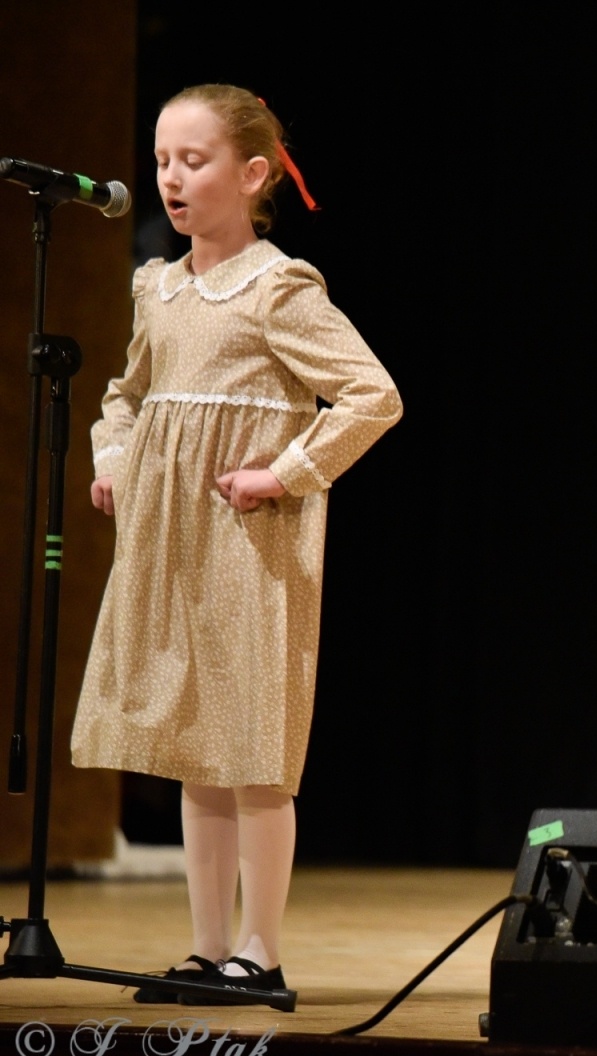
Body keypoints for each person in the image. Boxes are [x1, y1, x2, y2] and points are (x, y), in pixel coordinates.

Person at [70, 84, 402, 1003]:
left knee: (254, 753)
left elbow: (374, 396)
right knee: (195, 751)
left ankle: (261, 949)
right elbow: (126, 395)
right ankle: (208, 948)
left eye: (195, 160)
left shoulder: (277, 288)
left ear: (253, 174)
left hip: (253, 551)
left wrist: (283, 472)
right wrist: (116, 457)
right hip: (170, 547)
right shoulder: (159, 286)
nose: (173, 179)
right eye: (164, 160)